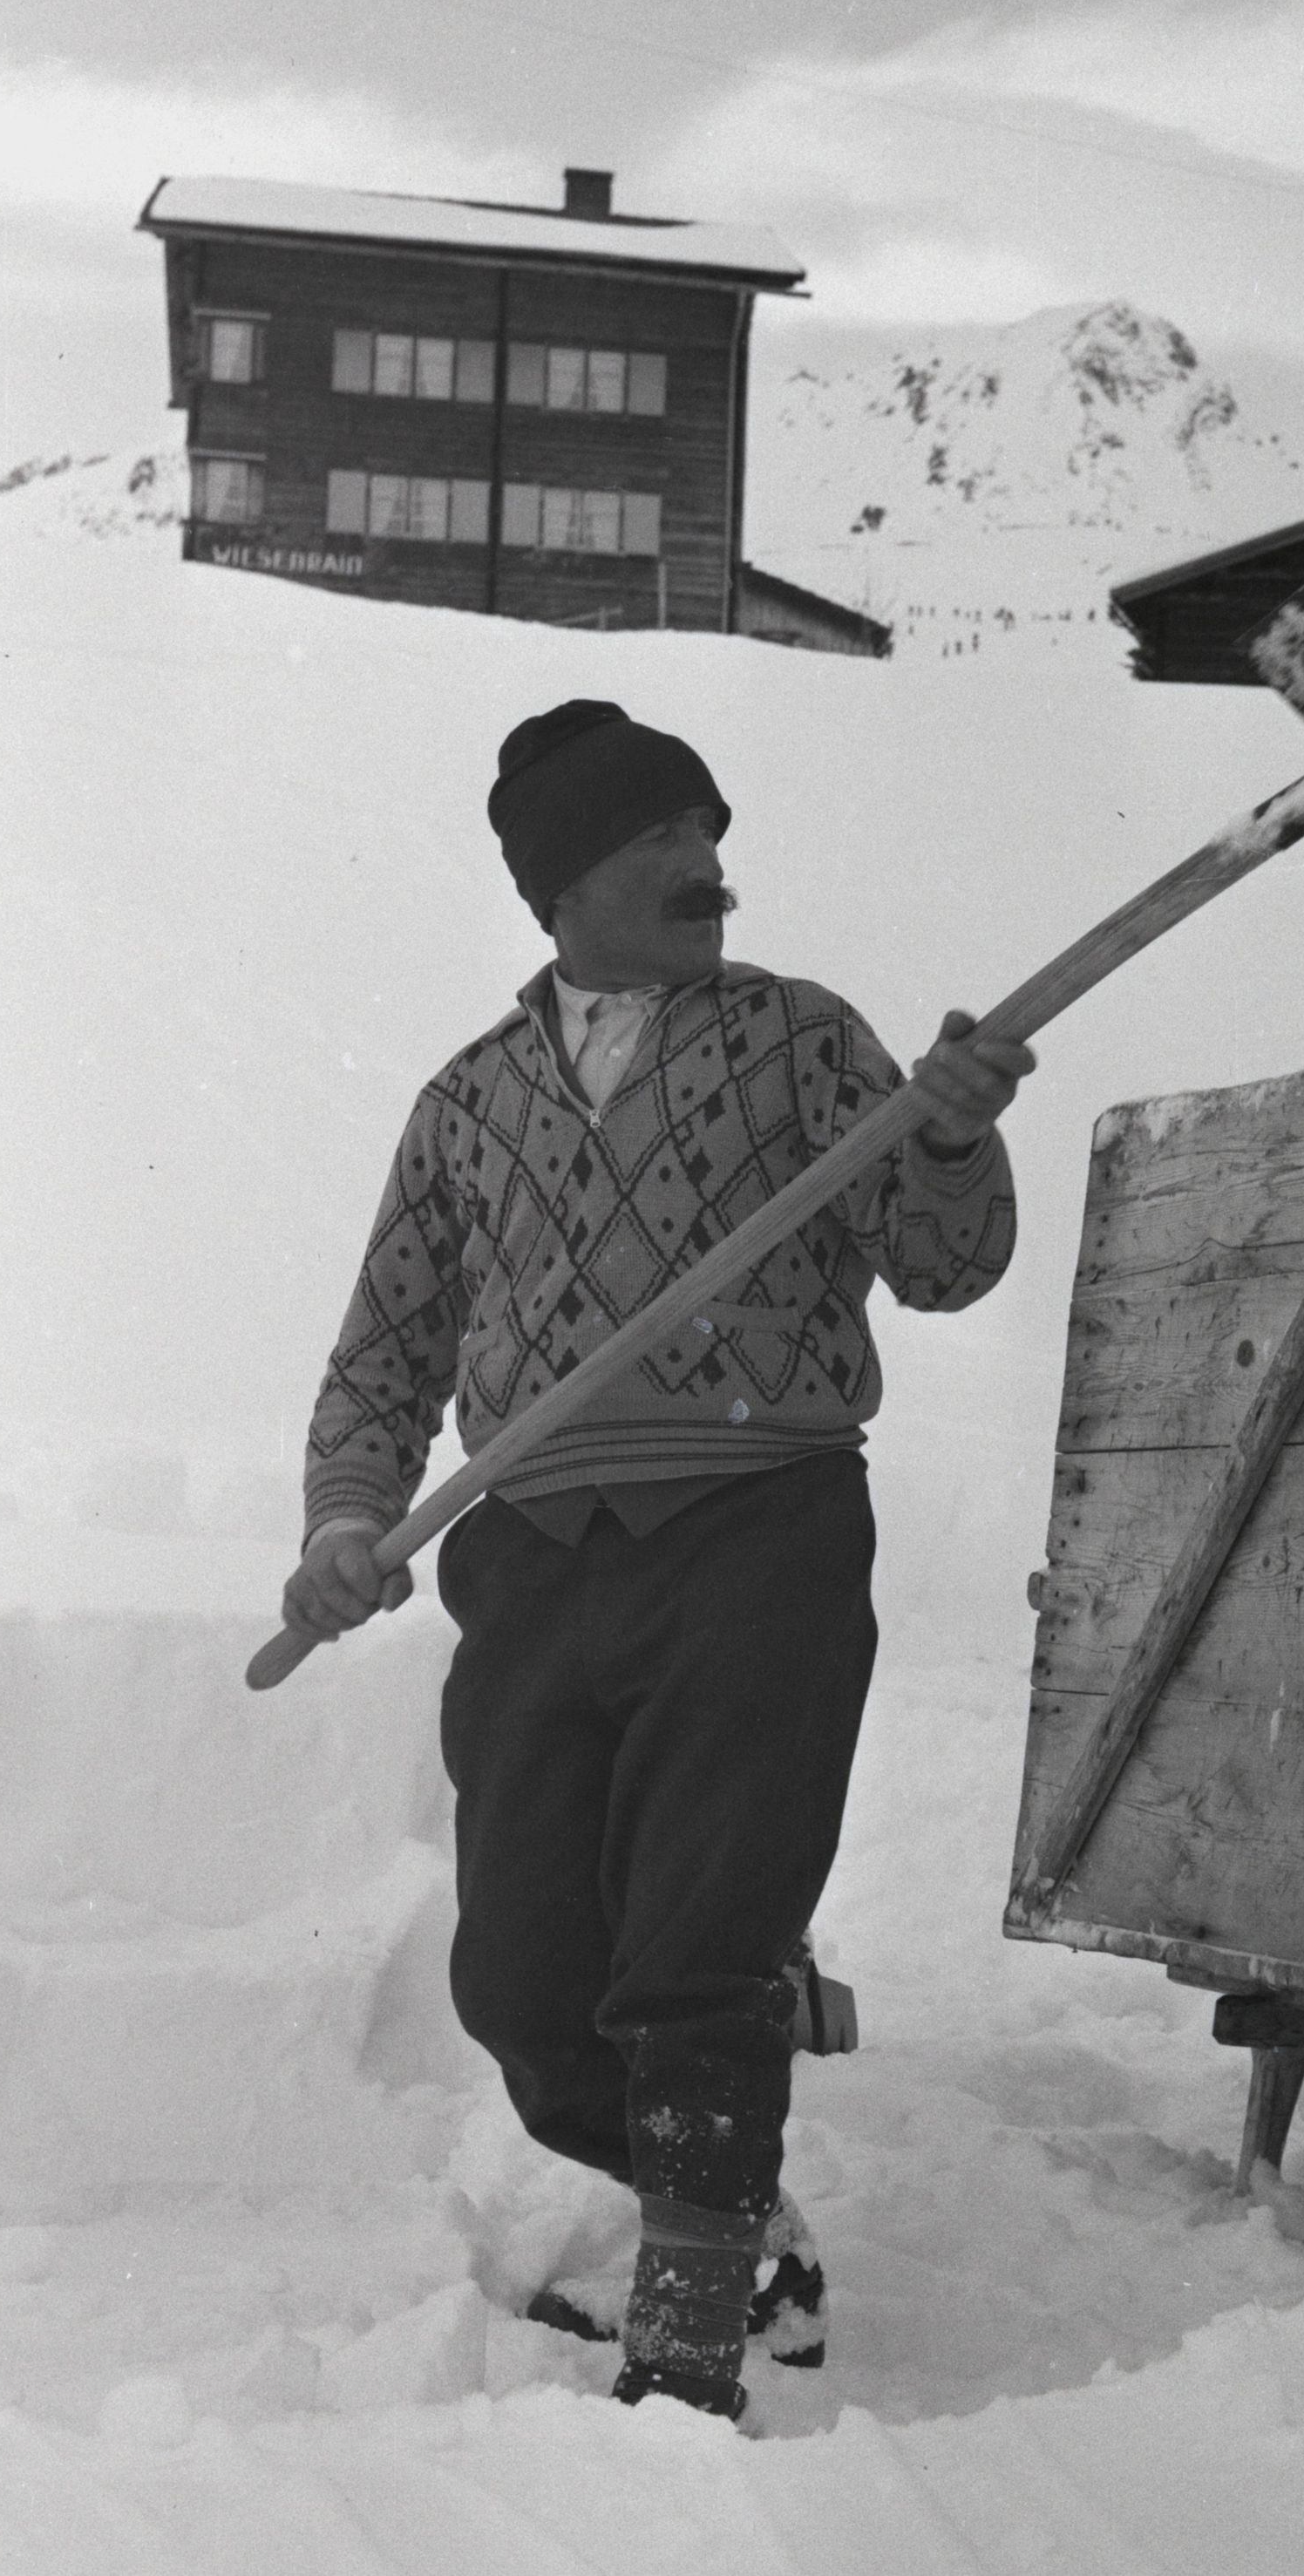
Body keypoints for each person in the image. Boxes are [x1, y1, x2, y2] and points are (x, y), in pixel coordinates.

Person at [281, 697, 1031, 2417]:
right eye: (662, 837)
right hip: (532, 1562)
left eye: (710, 832)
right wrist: (343, 1518)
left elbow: (945, 1267)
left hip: (756, 1531)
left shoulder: (803, 1041)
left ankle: (694, 2347)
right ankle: (734, 2209)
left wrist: (947, 1136)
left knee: (696, 1952)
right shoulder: (467, 1105)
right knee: (523, 1976)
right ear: (565, 884)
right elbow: (385, 1358)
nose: (709, 865)